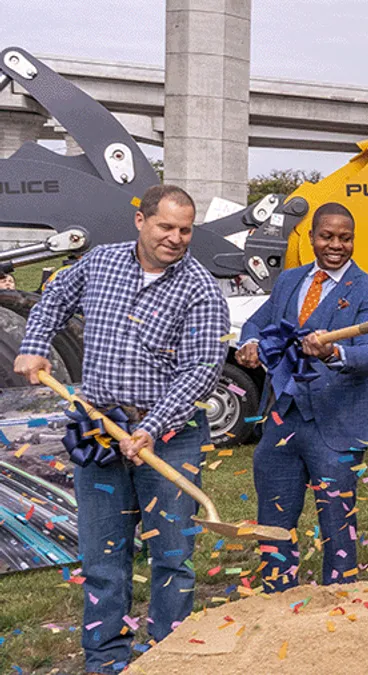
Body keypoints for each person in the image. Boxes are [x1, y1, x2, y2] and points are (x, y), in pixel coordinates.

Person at [14, 184, 228, 674]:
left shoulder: (199, 287)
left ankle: (165, 659)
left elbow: (200, 369)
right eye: (166, 227)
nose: (176, 238)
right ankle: (105, 660)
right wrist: (35, 342)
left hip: (170, 437)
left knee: (171, 557)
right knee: (103, 557)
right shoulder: (100, 263)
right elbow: (52, 301)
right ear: (141, 221)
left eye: (185, 230)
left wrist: (151, 428)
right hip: (99, 431)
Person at [236, 202, 368, 592]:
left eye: (345, 238)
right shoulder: (289, 281)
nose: (336, 245)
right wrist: (250, 340)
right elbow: (258, 321)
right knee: (273, 518)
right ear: (311, 237)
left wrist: (333, 352)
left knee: (337, 523)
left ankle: (338, 603)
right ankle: (276, 596)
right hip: (282, 419)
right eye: (327, 236)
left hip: (336, 424)